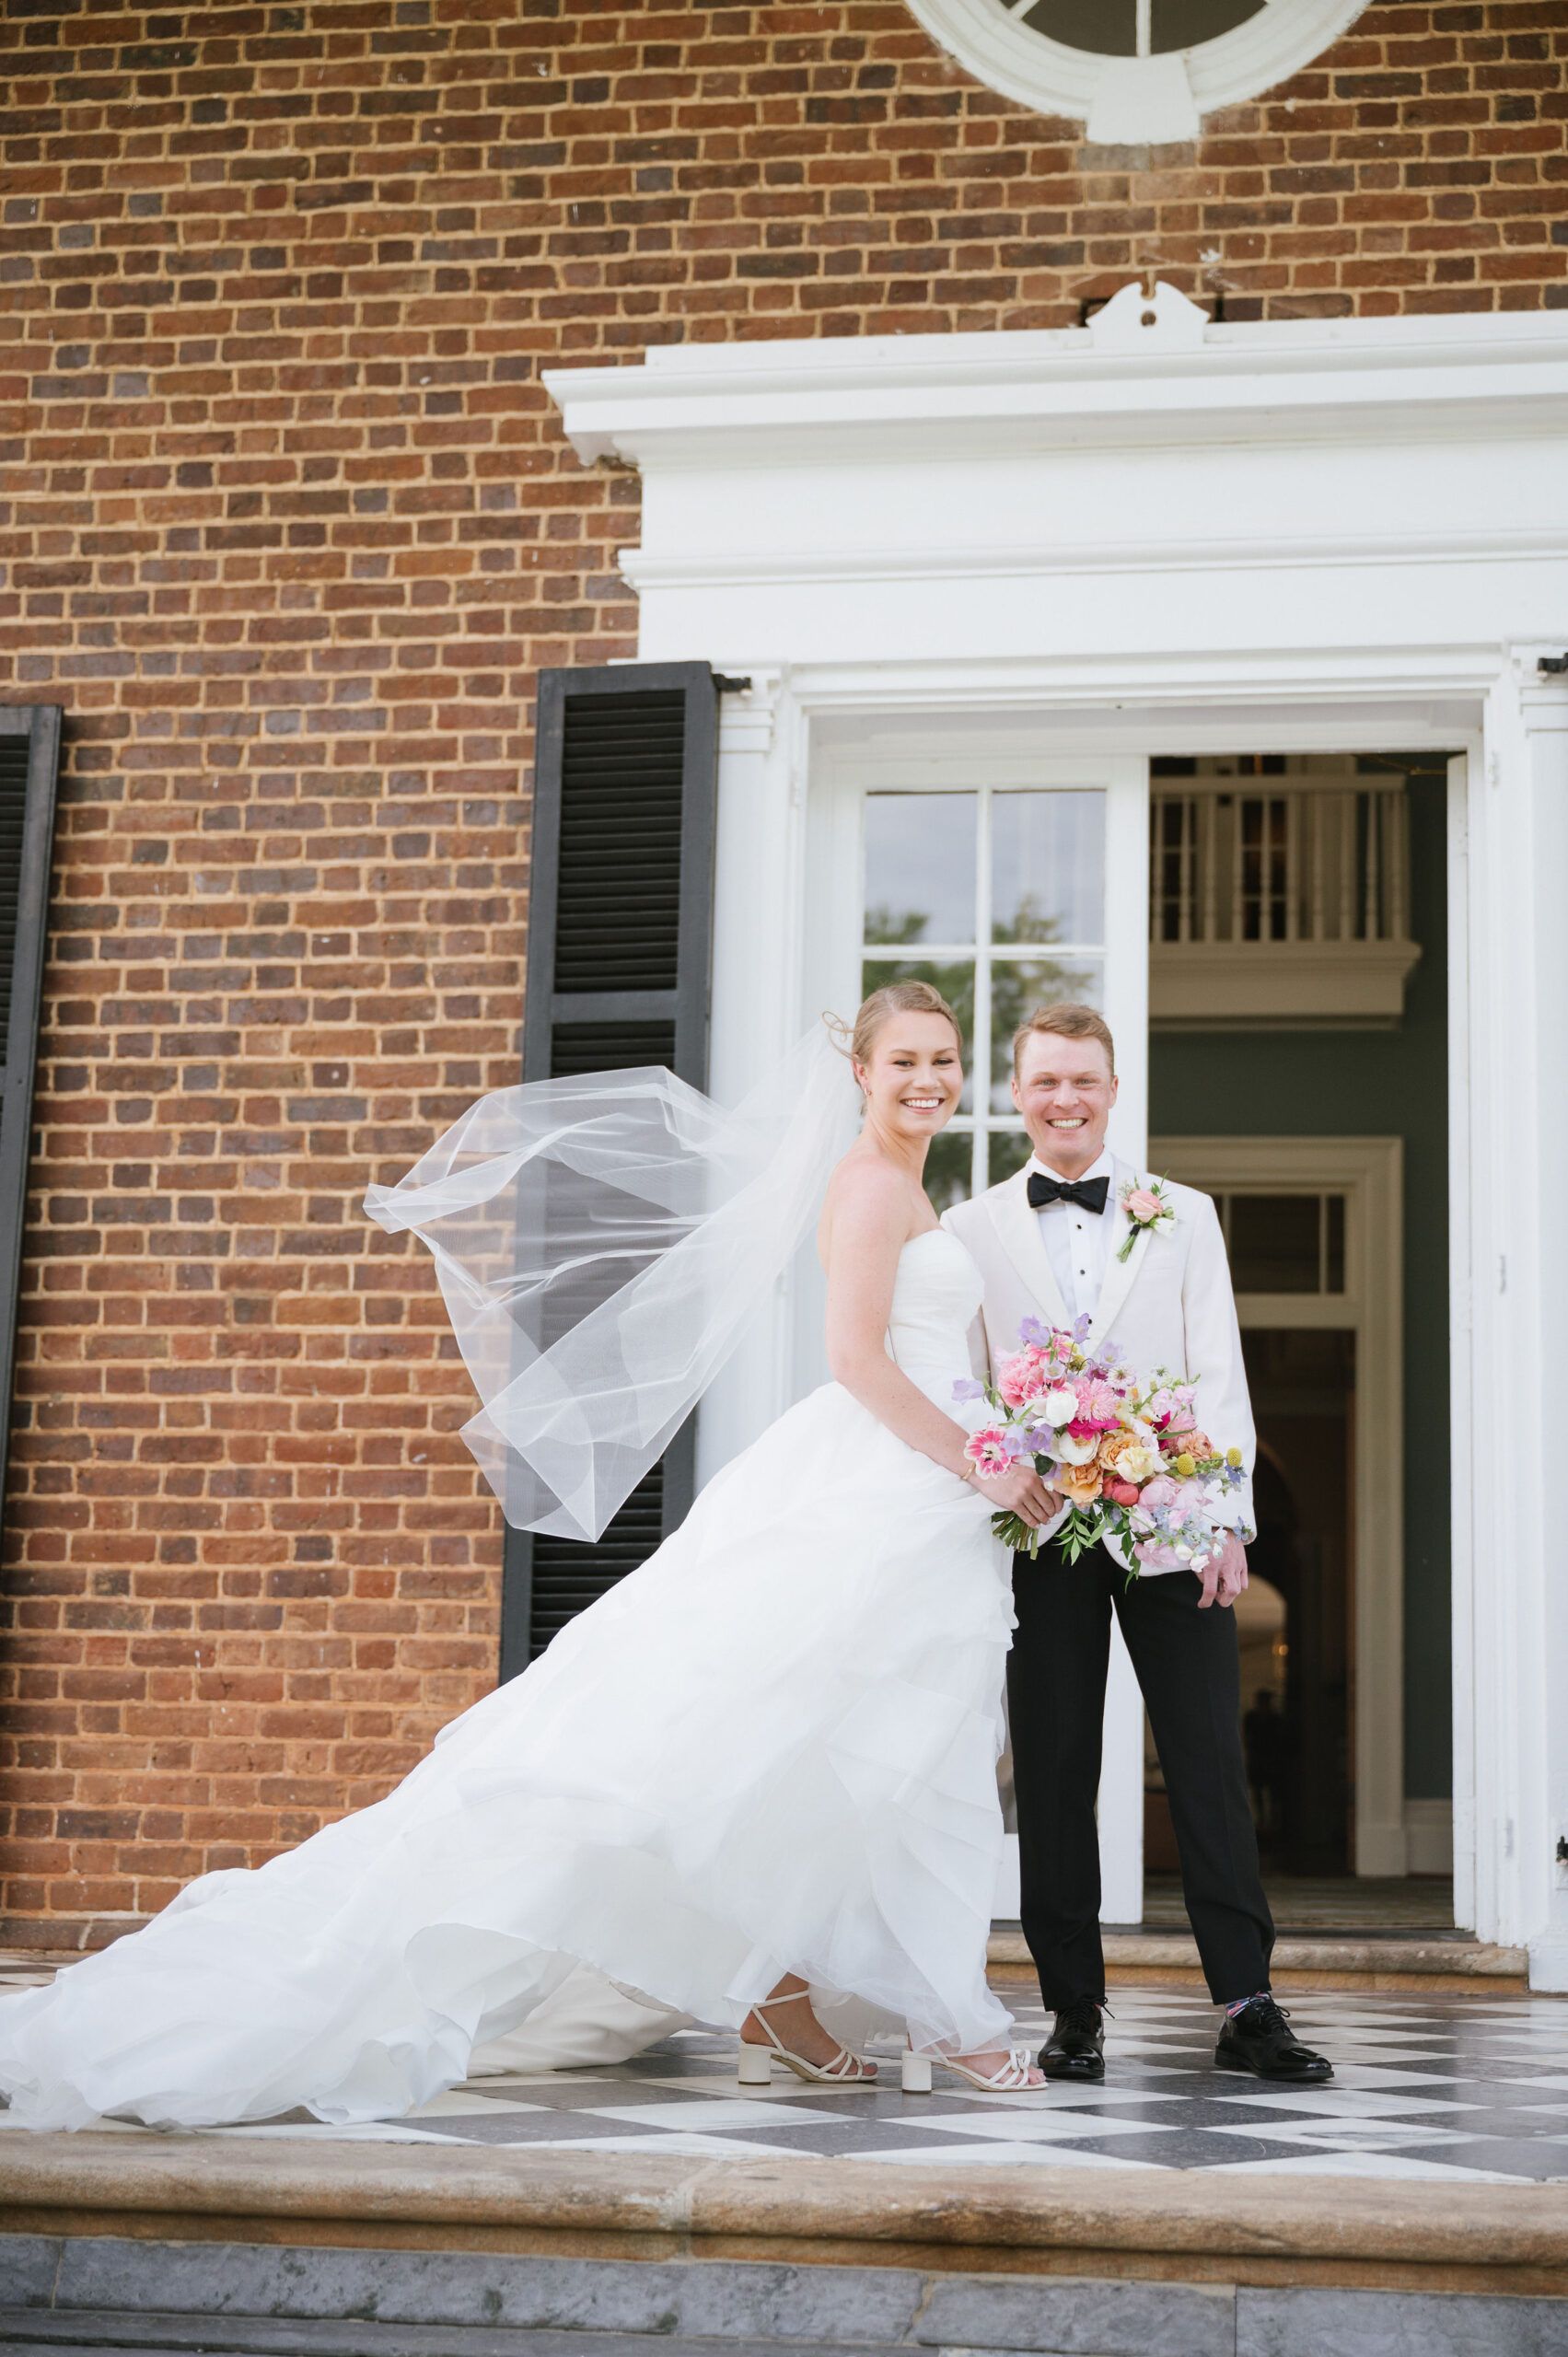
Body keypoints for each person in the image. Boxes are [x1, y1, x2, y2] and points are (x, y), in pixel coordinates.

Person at [0, 982, 1056, 2131]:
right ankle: (951, 2021)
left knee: (837, 1751)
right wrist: (980, 1461)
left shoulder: (907, 1183)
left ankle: (788, 1998)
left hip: (923, 1495)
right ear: (858, 1070)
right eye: (903, 1058)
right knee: (893, 1750)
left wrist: (1010, 1445)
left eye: (943, 1060)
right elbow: (856, 1359)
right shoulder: (865, 1187)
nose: (926, 1080)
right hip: (883, 1485)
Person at [943, 1004, 1332, 2087]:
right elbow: (967, 1385)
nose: (1063, 1099)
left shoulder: (1184, 1215)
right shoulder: (970, 1228)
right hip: (1044, 1534)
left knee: (1207, 1760)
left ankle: (1247, 2005)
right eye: (1043, 1081)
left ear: (1112, 1090)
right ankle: (1072, 2008)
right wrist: (1002, 1481)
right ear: (1014, 1094)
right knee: (1056, 1769)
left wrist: (1222, 1520)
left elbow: (1217, 1372)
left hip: (1170, 1528)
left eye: (1083, 1080)